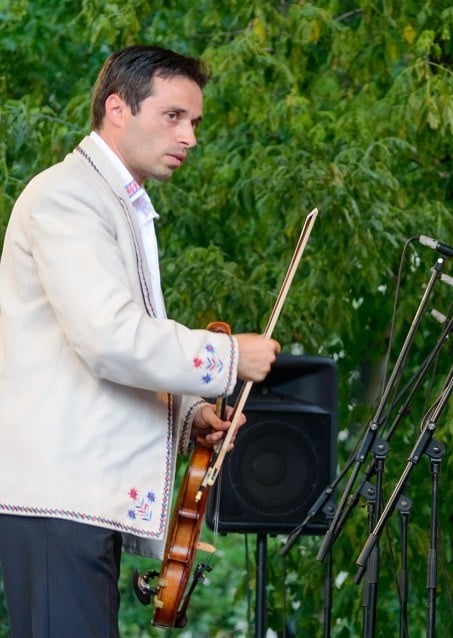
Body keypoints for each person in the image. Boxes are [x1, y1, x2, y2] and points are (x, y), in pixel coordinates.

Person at [0, 45, 281, 638]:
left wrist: (189, 415)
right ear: (117, 109)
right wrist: (230, 358)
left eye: (195, 123)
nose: (190, 138)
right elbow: (108, 338)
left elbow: (97, 361)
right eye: (174, 116)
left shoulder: (110, 200)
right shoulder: (67, 197)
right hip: (58, 498)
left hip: (78, 498)